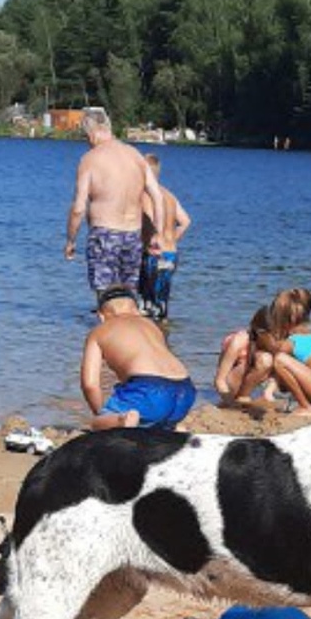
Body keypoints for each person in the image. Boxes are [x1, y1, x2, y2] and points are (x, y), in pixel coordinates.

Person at [65, 109, 164, 300]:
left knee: (106, 299)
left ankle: (107, 327)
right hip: (133, 236)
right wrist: (157, 234)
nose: (87, 142)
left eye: (86, 137)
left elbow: (78, 208)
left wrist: (70, 241)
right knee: (128, 297)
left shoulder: (90, 159)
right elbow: (157, 196)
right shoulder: (135, 156)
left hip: (104, 235)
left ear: (92, 133)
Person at [80, 286, 196, 429]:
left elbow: (90, 385)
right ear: (137, 310)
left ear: (101, 316)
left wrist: (102, 414)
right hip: (185, 389)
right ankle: (172, 426)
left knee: (97, 423)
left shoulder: (99, 331)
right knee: (155, 420)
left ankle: (123, 421)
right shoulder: (152, 326)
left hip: (148, 388)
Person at [214, 287, 311, 404]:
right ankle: (241, 396)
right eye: (275, 335)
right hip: (232, 383)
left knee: (282, 360)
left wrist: (269, 391)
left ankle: (263, 394)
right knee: (266, 360)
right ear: (261, 333)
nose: (278, 339)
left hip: (253, 377)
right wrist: (228, 399)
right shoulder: (240, 341)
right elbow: (220, 380)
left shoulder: (282, 340)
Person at [139, 153, 190, 320]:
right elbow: (185, 222)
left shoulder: (146, 195)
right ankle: (165, 338)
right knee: (162, 307)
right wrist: (172, 240)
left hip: (154, 254)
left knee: (148, 306)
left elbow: (151, 220)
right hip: (171, 254)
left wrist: (149, 243)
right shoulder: (169, 195)